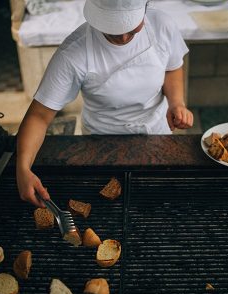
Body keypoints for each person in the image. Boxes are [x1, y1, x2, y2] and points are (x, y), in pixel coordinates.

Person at [16, 0, 193, 206]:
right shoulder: (74, 52)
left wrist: (176, 102)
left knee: (156, 201)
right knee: (105, 203)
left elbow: (172, 67)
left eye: (132, 28)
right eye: (113, 29)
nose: (124, 37)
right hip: (100, 143)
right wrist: (22, 168)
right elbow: (38, 116)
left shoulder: (161, 24)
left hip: (156, 132)